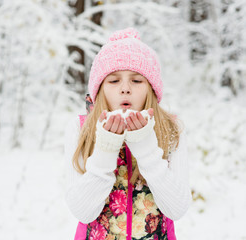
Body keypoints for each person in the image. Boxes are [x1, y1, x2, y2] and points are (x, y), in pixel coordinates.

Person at [64, 27, 192, 240]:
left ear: (151, 88)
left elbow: (177, 209)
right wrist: (105, 149)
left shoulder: (171, 128)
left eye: (136, 80)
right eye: (114, 81)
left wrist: (148, 150)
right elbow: (82, 212)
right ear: (100, 89)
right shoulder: (81, 128)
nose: (125, 88)